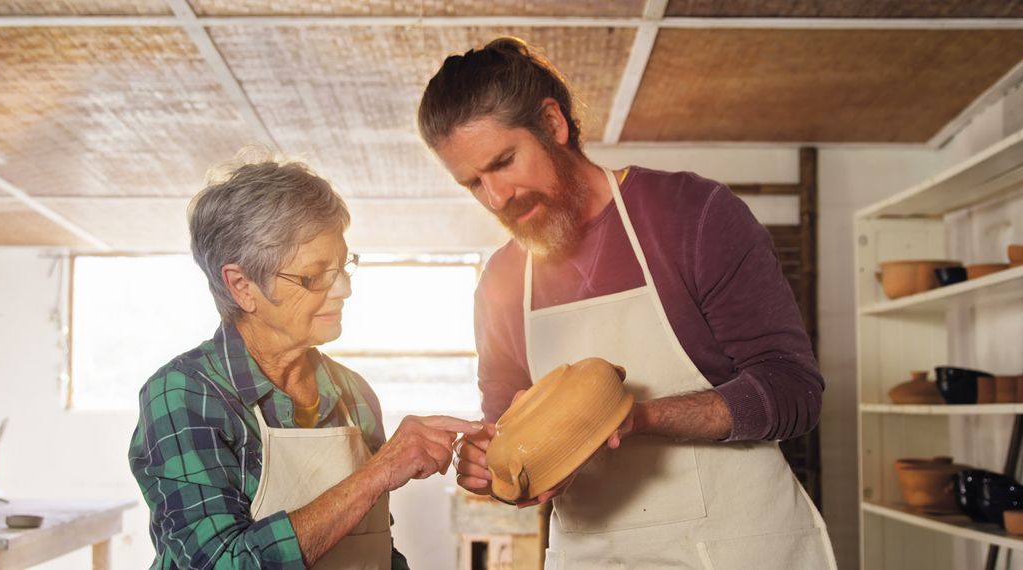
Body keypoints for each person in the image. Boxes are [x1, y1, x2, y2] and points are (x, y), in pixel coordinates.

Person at [418, 37, 837, 568]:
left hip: (739, 548)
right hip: (595, 555)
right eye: (473, 183)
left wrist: (636, 417)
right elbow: (511, 441)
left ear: (552, 124)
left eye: (503, 162)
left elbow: (793, 391)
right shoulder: (501, 281)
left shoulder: (693, 216)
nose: (496, 197)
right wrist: (492, 470)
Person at [128, 150, 480, 569]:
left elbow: (372, 545)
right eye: (314, 277)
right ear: (242, 286)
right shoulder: (184, 395)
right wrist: (377, 473)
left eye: (343, 265)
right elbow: (220, 563)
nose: (343, 288)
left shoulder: (353, 393)